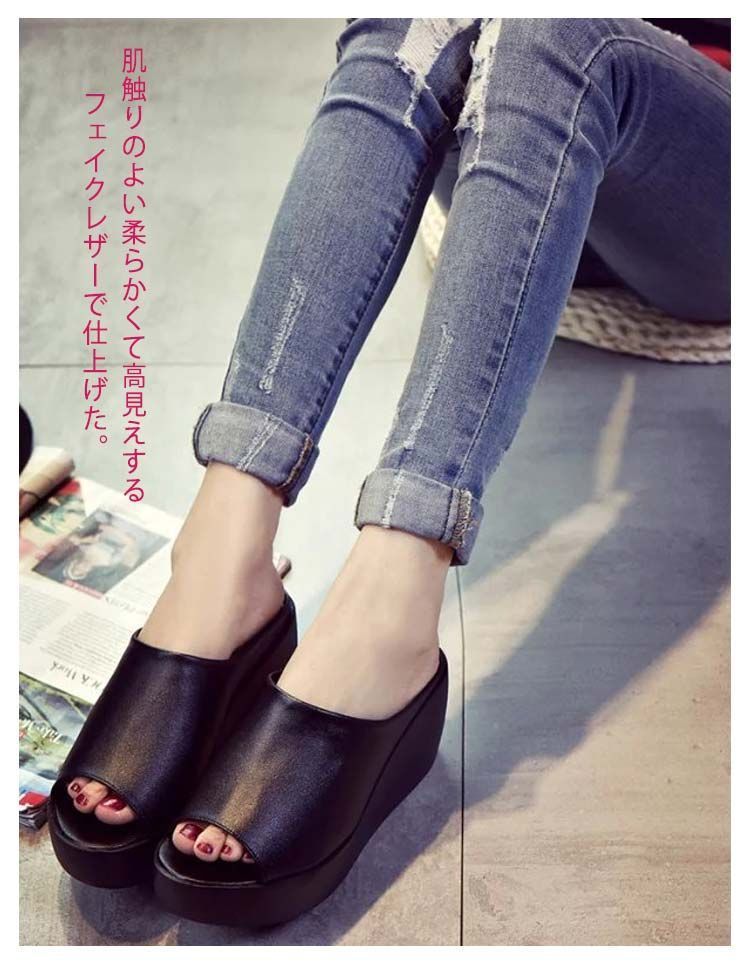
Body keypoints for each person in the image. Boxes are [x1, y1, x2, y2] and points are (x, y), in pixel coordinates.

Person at [53, 18, 729, 920]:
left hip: (700, 180)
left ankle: (390, 604)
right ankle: (222, 561)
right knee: (415, 18)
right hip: (538, 138)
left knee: (559, 31)